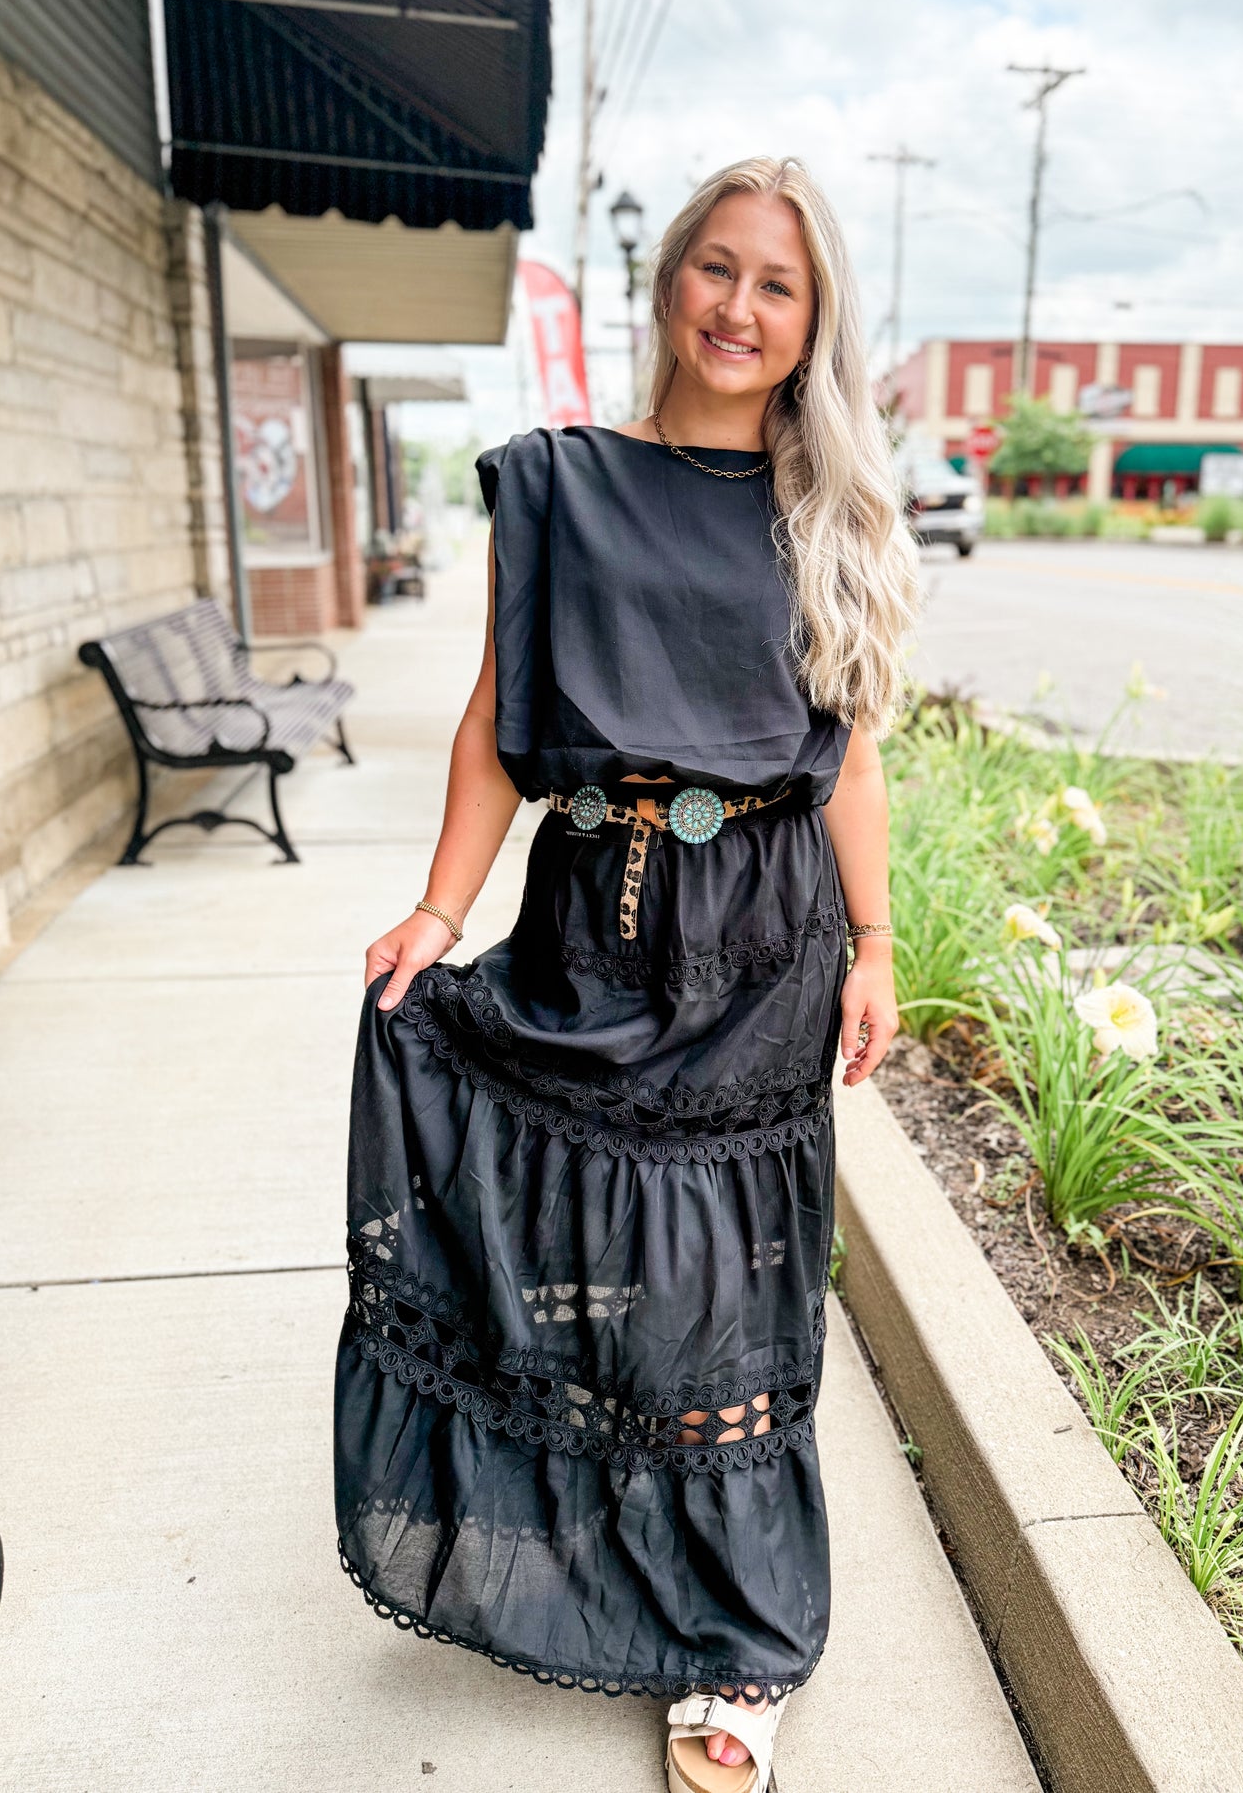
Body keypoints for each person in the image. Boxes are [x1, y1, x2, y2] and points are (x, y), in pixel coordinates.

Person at [334, 154, 920, 1793]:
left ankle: (738, 1637)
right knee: (572, 1240)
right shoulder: (560, 481)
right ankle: (601, 1552)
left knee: (723, 1285)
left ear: (813, 324)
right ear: (669, 281)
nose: (739, 306)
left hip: (763, 934)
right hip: (594, 907)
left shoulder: (833, 510)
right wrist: (440, 914)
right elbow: (490, 726)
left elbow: (853, 760)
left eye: (777, 285)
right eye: (715, 268)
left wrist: (877, 948)